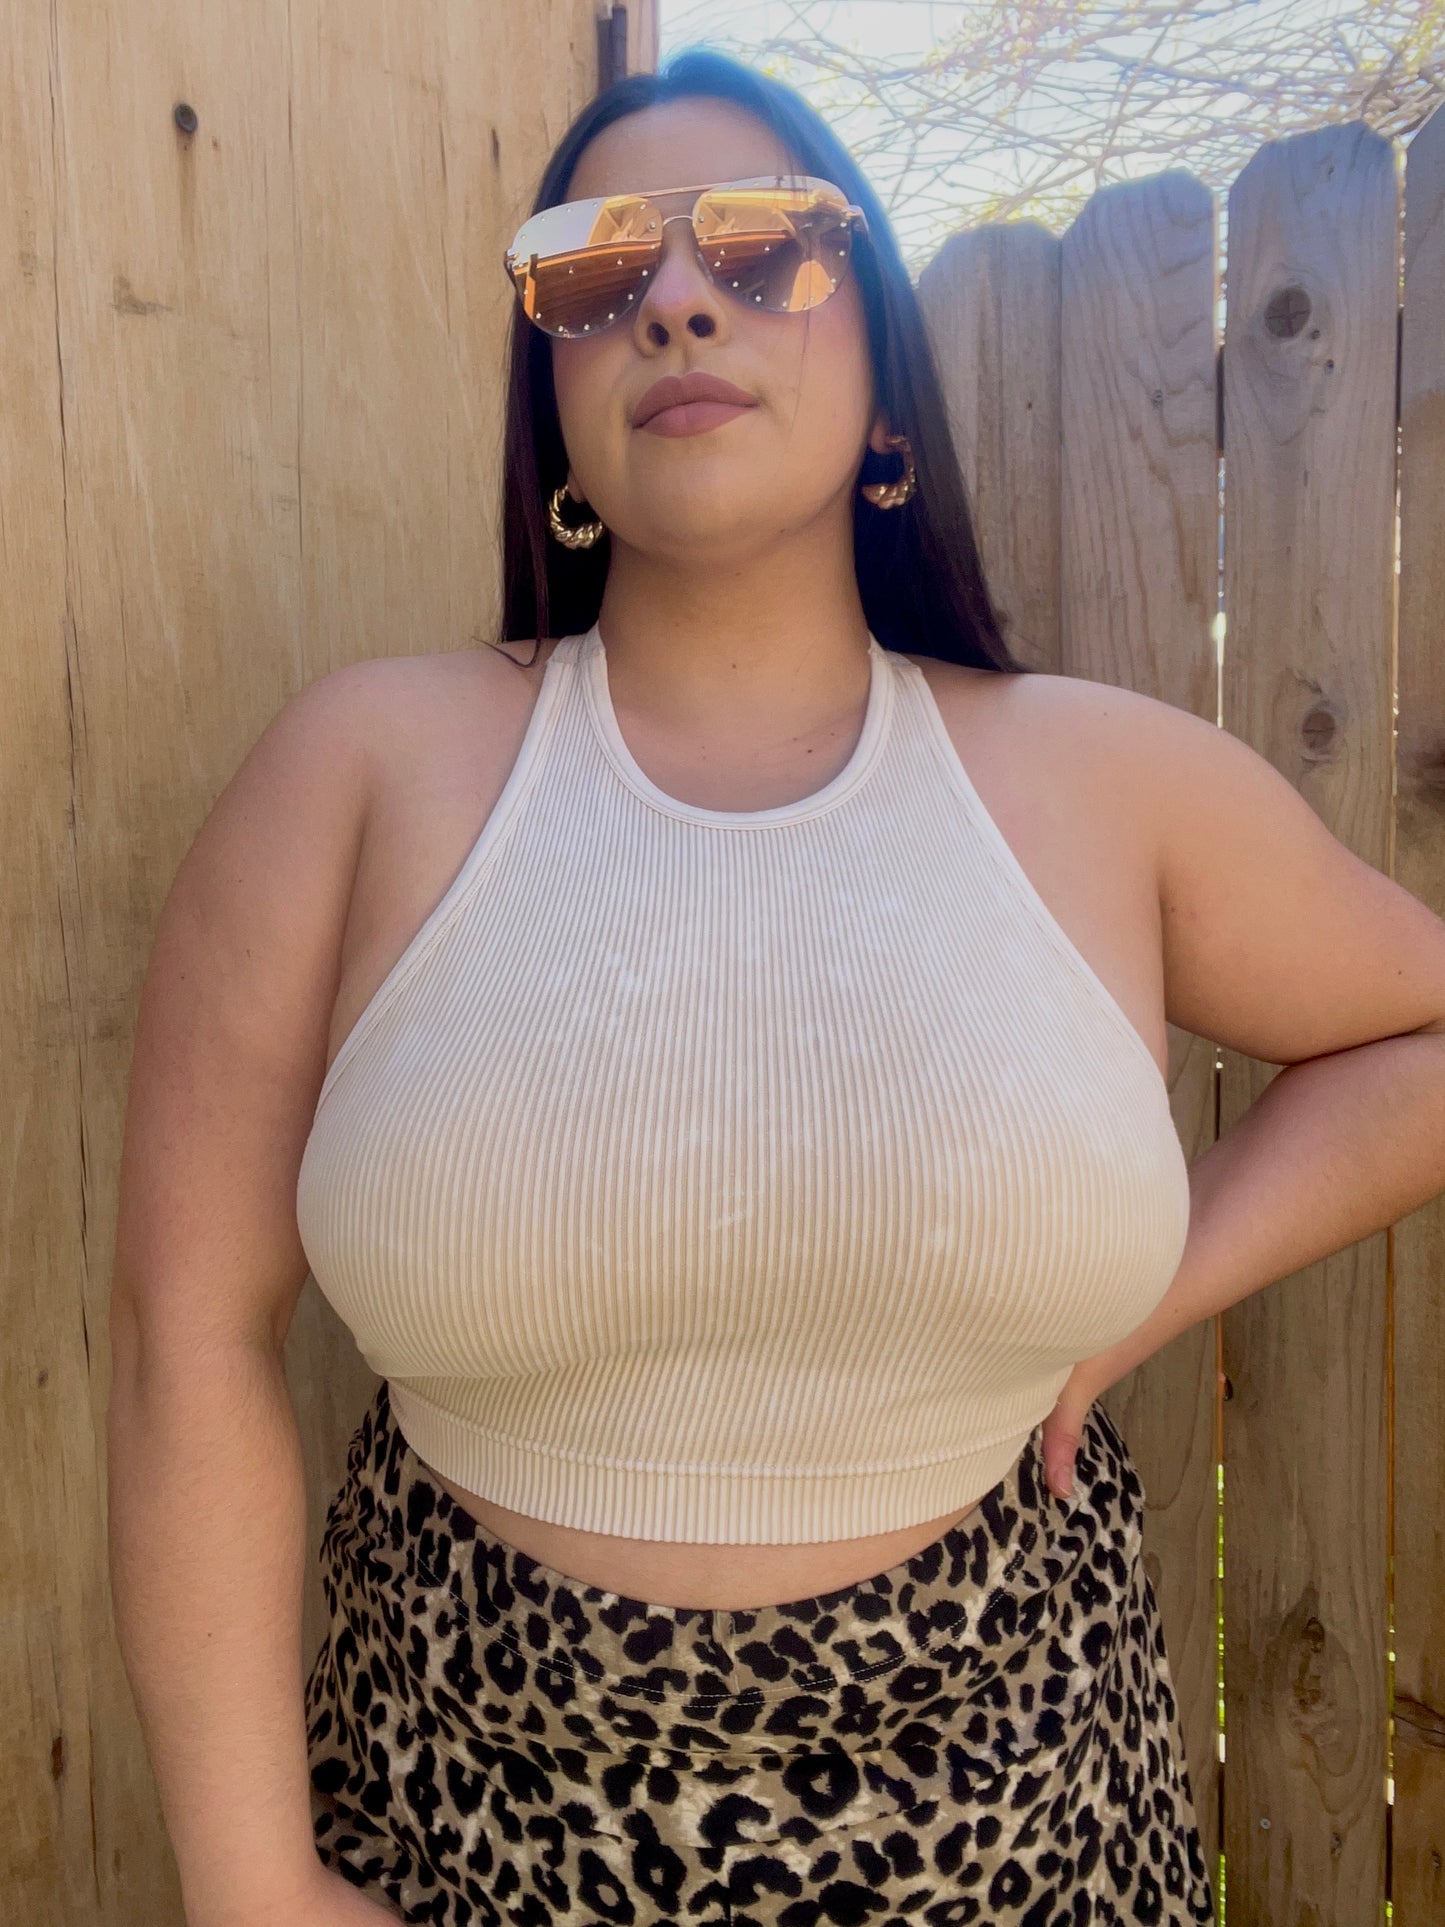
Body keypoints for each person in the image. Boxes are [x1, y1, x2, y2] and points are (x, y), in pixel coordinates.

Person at [106, 45, 1445, 1927]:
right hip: (467, 1829)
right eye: (593, 267)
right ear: (552, 397)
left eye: (760, 243)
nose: (672, 296)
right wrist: (251, 1892)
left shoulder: (1111, 784)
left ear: (884, 376)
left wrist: (1144, 1296)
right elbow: (181, 1335)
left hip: (1023, 1830)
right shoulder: (358, 772)